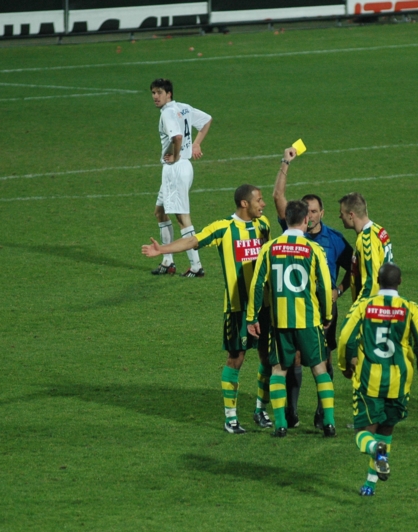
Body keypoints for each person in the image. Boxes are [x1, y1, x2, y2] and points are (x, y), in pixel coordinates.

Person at [142, 184, 273, 434]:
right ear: (244, 203)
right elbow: (193, 240)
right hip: (237, 308)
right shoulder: (224, 228)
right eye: (259, 200)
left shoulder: (263, 225)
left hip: (264, 306)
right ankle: (231, 418)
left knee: (267, 357)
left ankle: (260, 410)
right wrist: (163, 250)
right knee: (236, 359)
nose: (262, 204)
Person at [271, 147, 354, 430]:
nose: (312, 216)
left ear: (321, 212)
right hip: (296, 305)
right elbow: (278, 198)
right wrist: (285, 163)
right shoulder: (291, 230)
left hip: (324, 307)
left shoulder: (335, 239)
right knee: (294, 358)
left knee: (323, 358)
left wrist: (339, 291)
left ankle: (321, 415)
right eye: (308, 211)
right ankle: (292, 413)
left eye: (316, 211)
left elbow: (355, 268)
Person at [337, 263, 418, 496]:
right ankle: (370, 484)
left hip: (370, 379)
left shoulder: (364, 305)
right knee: (386, 431)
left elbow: (345, 337)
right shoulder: (410, 309)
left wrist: (345, 364)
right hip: (399, 381)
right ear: (399, 283)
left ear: (378, 282)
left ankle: (373, 450)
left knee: (363, 432)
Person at [247, 200, 336, 438]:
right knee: (320, 369)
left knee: (278, 370)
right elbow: (325, 287)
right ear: (306, 220)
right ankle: (328, 423)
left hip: (281, 323)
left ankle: (281, 424)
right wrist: (327, 315)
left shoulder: (270, 248)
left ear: (286, 219)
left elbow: (257, 284)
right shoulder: (314, 249)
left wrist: (251, 317)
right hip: (309, 320)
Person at [149, 78, 212, 278]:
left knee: (182, 218)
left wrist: (176, 154)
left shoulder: (168, 113)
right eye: (153, 93)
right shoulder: (183, 108)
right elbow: (206, 120)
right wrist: (196, 144)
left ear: (169, 94)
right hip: (179, 168)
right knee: (160, 212)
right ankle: (168, 262)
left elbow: (177, 137)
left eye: (159, 92)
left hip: (175, 169)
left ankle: (196, 266)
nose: (155, 97)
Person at [338, 193, 393, 303]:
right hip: (386, 301)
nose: (340, 217)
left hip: (373, 308)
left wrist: (357, 312)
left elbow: (371, 283)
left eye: (342, 214)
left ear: (351, 215)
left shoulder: (366, 240)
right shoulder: (379, 230)